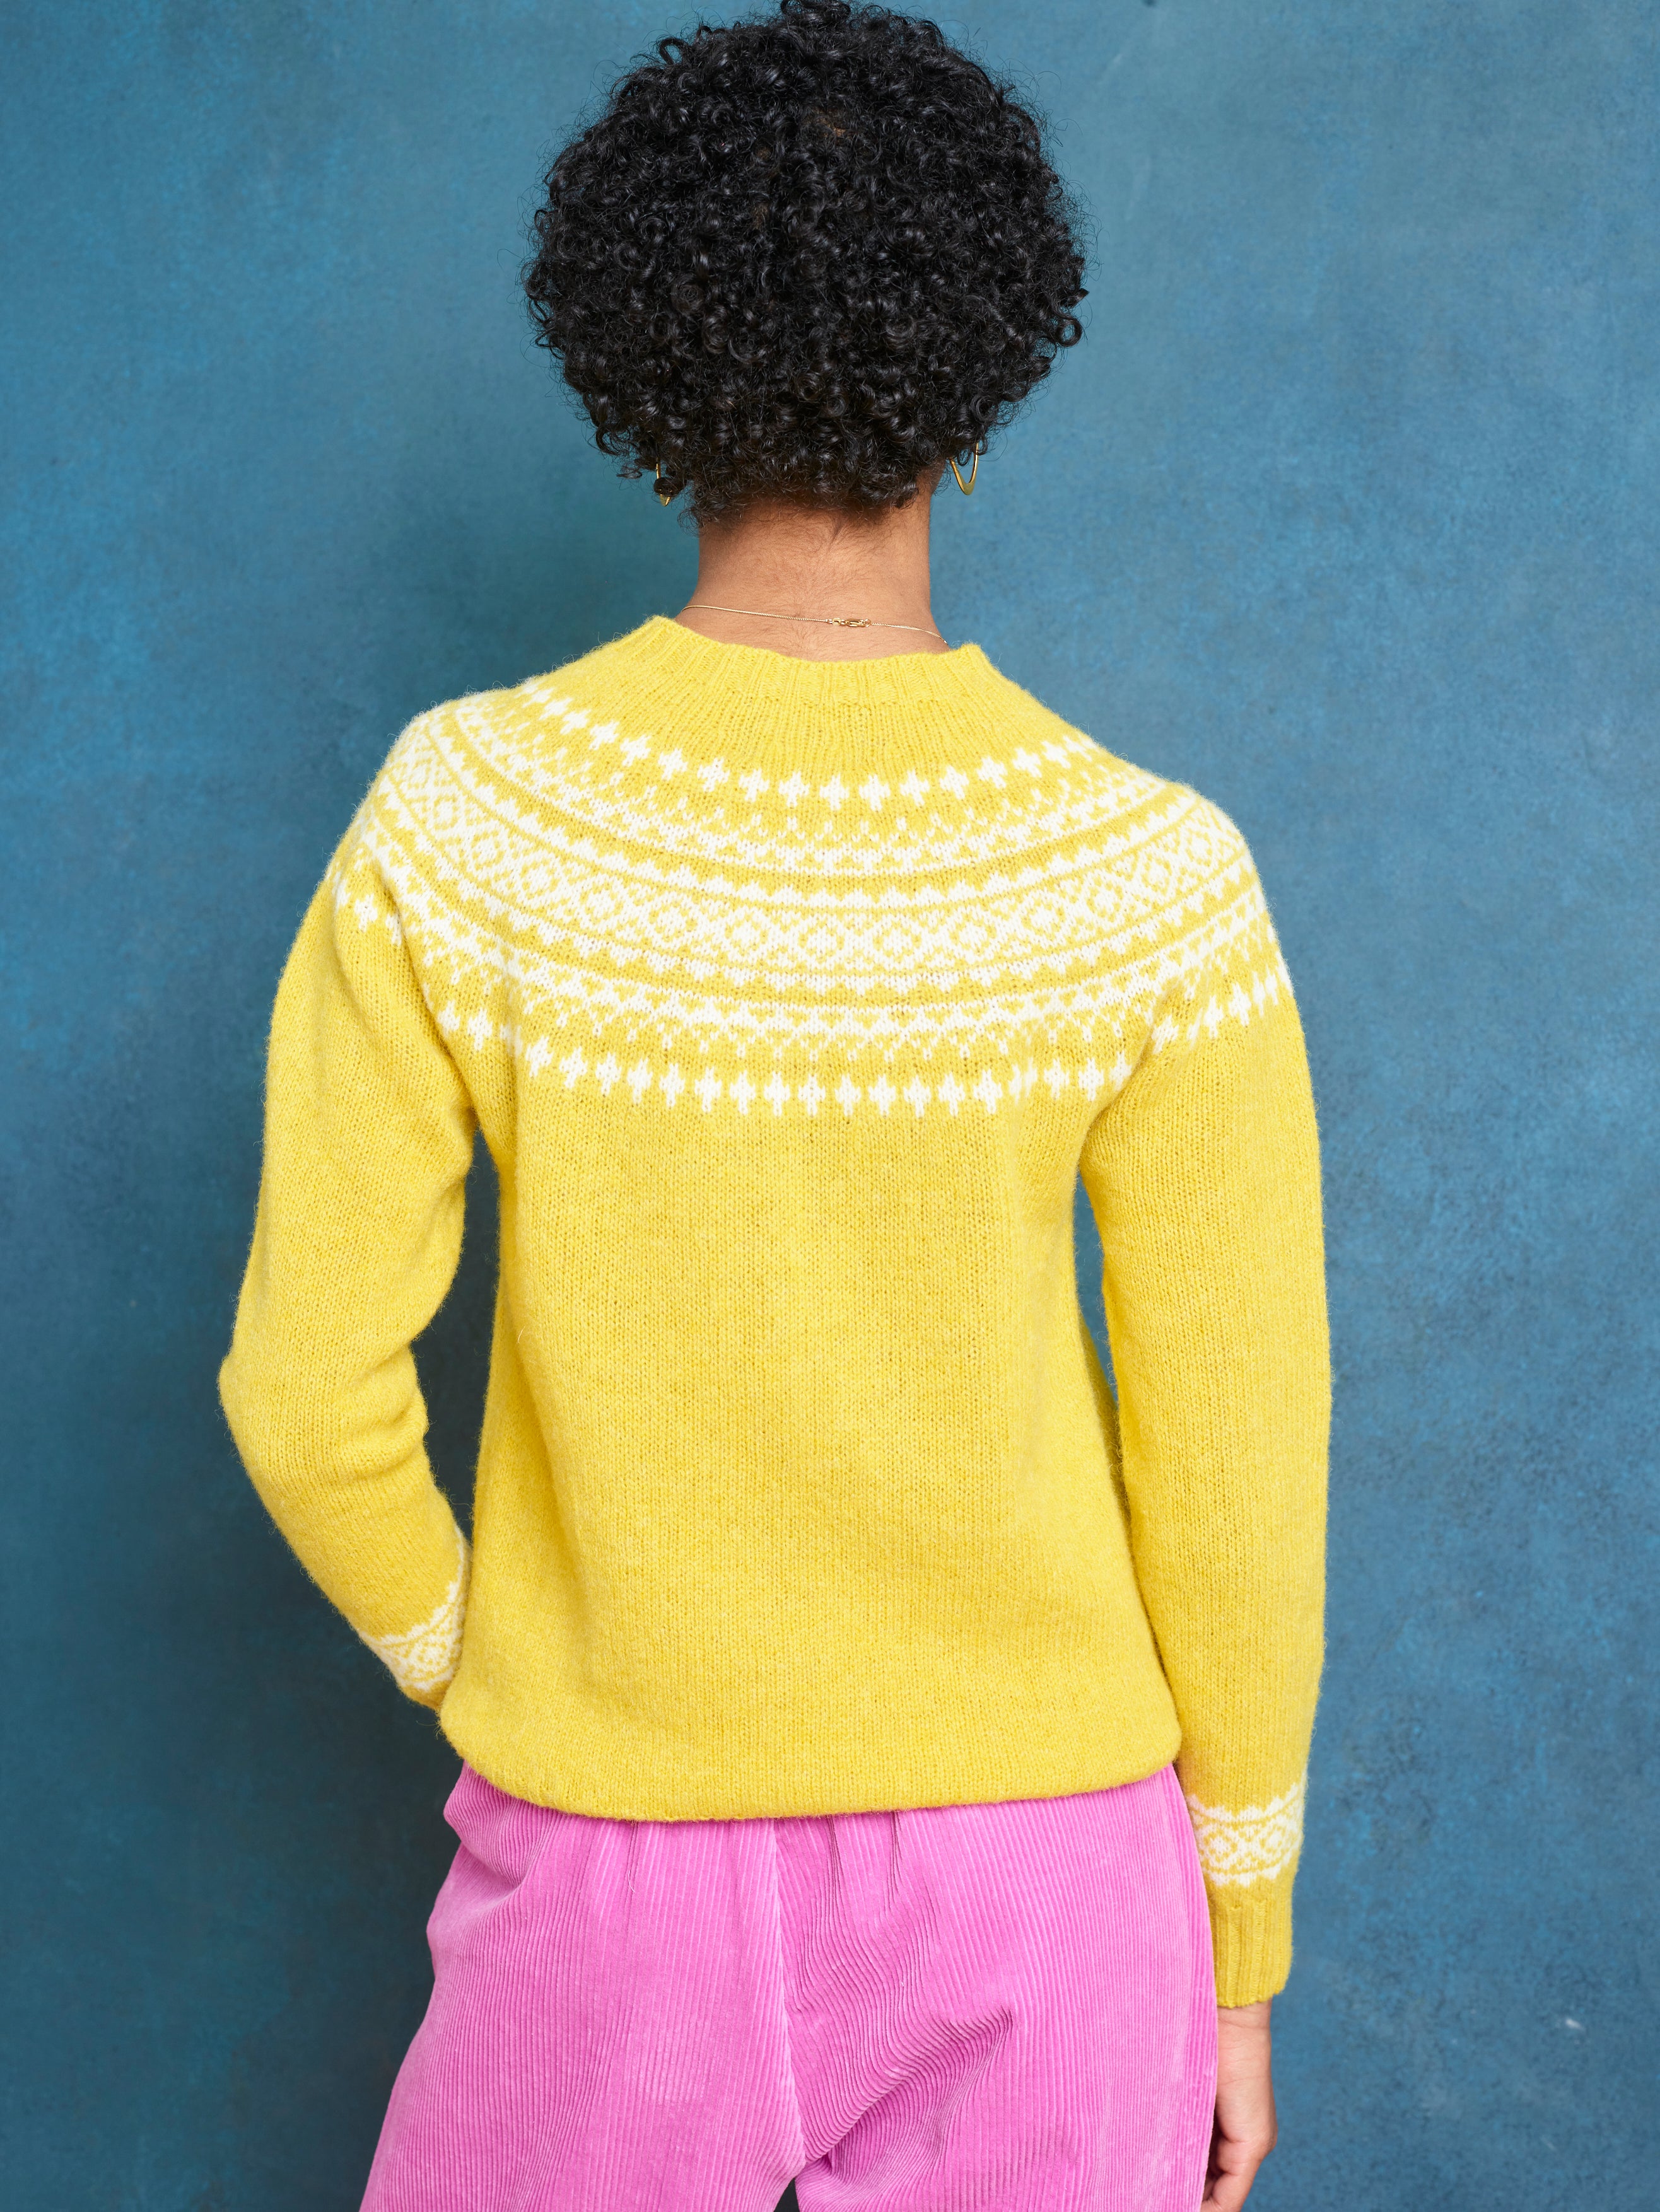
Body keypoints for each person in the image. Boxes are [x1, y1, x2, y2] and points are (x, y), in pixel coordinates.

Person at [218, 4, 1330, 2208]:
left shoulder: (466, 820)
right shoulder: (1152, 873)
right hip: (1057, 1873)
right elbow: (1235, 1466)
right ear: (986, 386)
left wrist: (494, 1664)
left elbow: (304, 1394)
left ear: (648, 391)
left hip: (609, 1850)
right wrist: (1241, 1959)